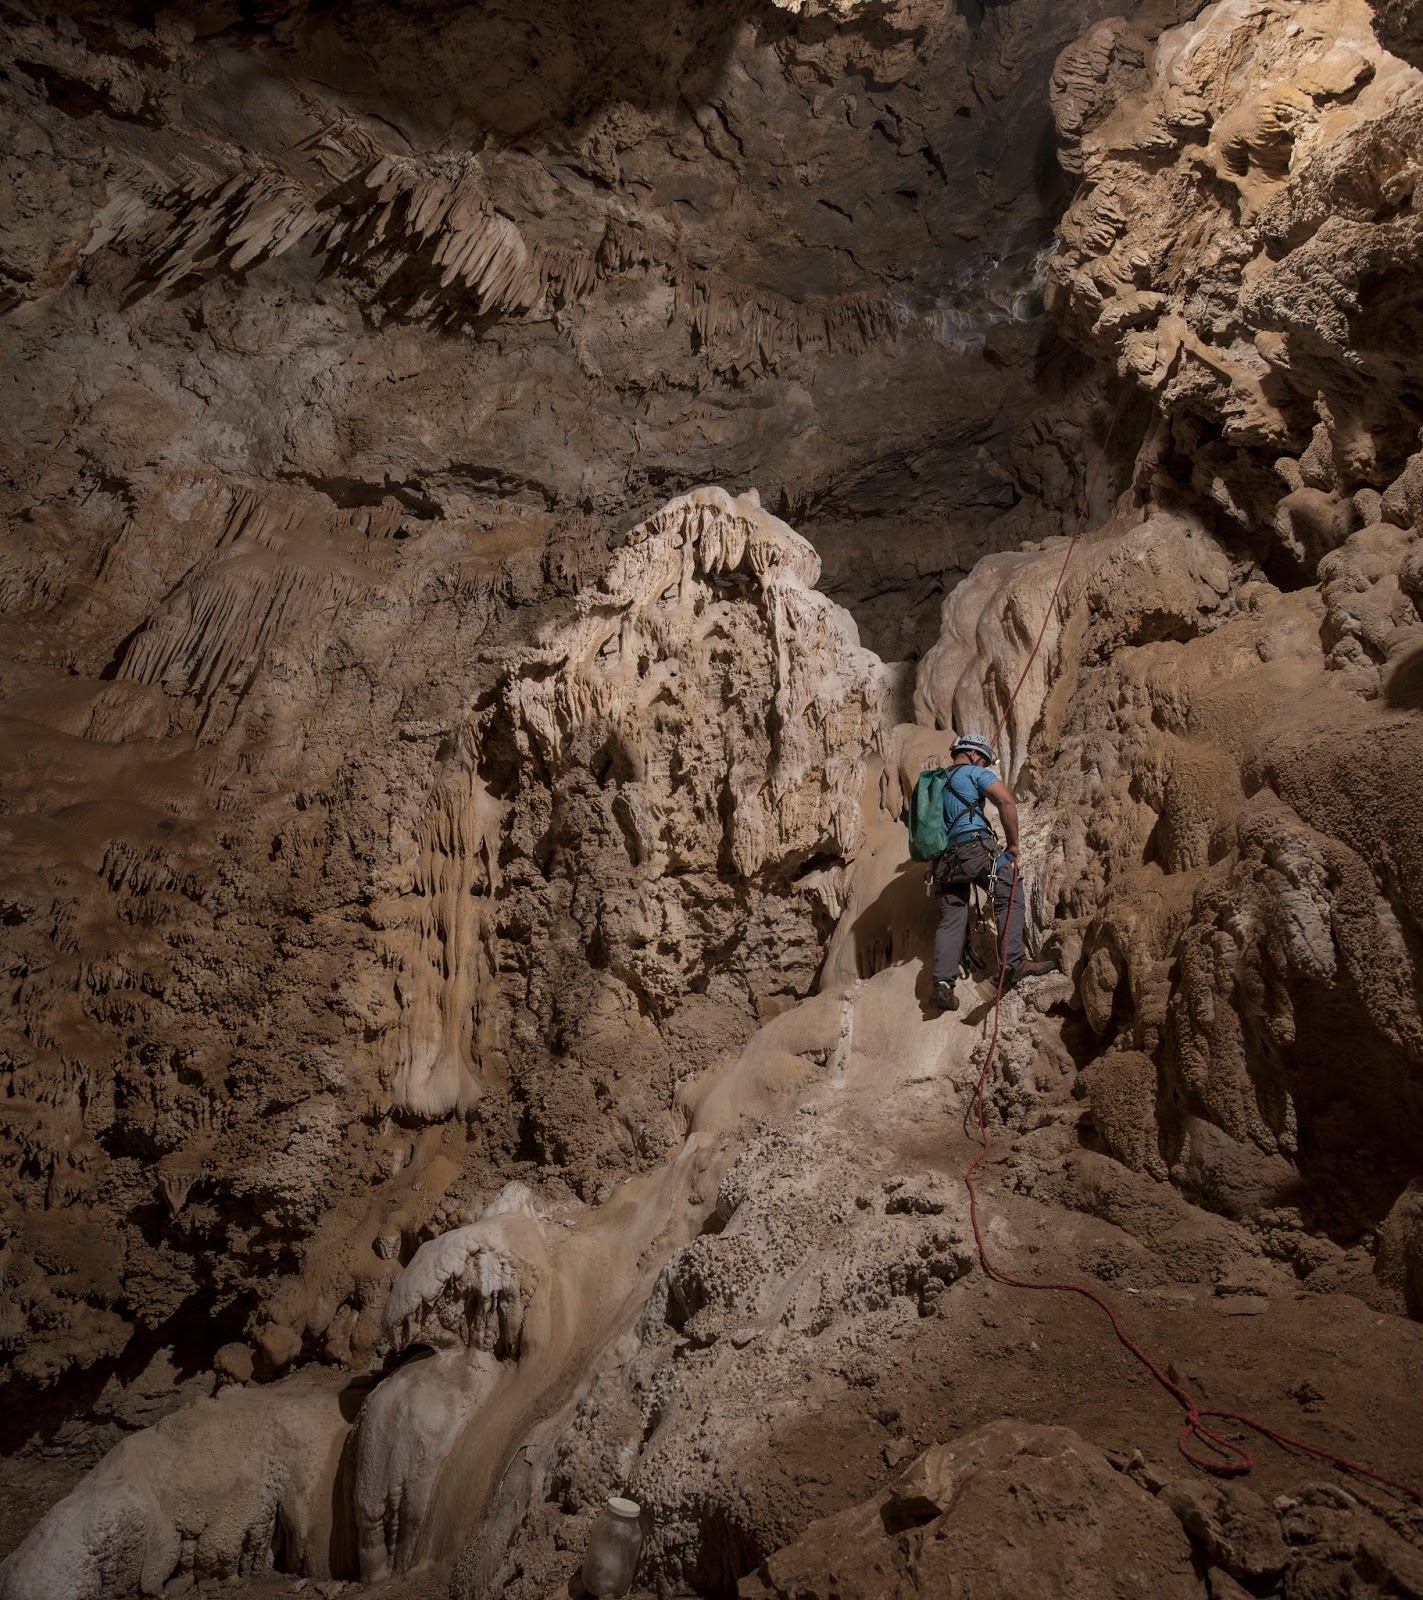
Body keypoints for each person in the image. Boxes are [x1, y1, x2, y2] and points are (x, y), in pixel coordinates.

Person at [929, 732, 1055, 1012]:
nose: (984, 765)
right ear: (974, 755)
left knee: (951, 920)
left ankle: (942, 986)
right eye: (984, 760)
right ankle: (1014, 963)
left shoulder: (937, 782)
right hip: (975, 848)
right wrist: (1013, 845)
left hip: (944, 862)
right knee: (1008, 888)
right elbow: (1006, 802)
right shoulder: (973, 773)